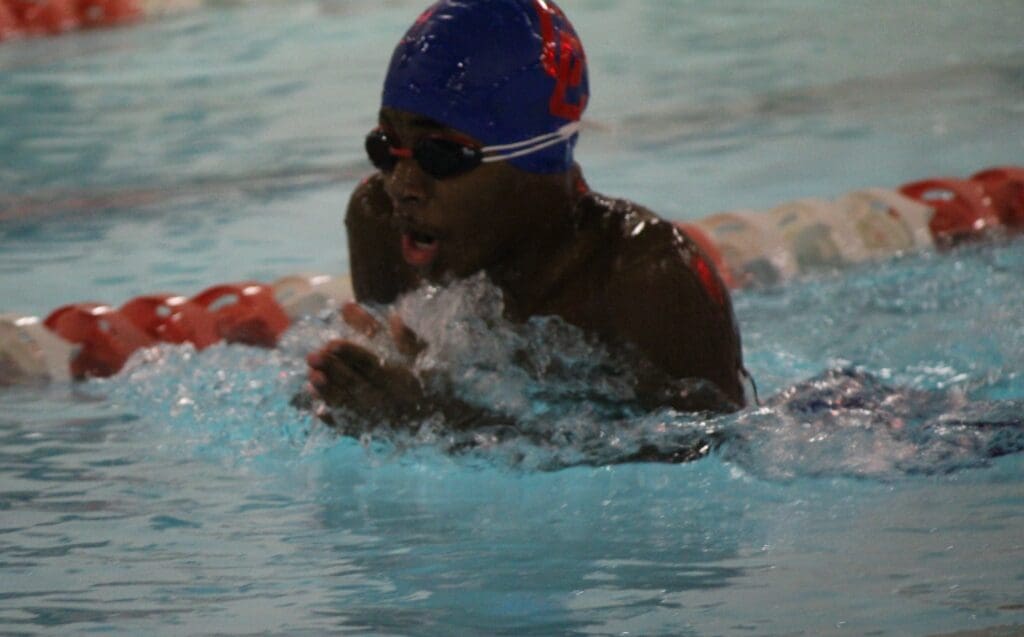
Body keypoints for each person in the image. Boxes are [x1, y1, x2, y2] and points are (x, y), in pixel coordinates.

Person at [305, 0, 748, 432]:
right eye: (385, 146)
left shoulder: (646, 281)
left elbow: (711, 448)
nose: (401, 185)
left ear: (537, 160)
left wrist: (433, 419)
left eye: (440, 154)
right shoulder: (380, 220)